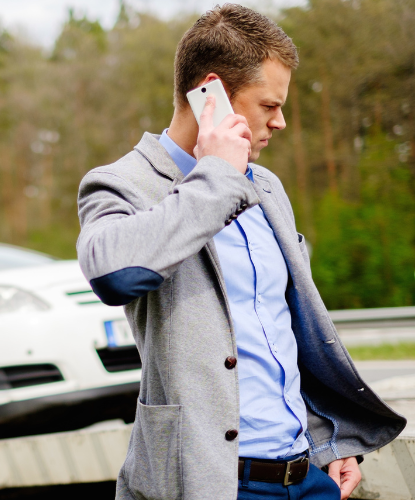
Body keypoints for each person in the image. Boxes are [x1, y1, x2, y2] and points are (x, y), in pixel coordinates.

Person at [76, 4, 406, 500]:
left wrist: (329, 438)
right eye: (269, 106)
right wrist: (217, 179)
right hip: (210, 486)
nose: (282, 123)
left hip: (308, 479)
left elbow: (279, 333)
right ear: (214, 96)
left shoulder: (269, 188)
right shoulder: (123, 183)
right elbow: (112, 274)